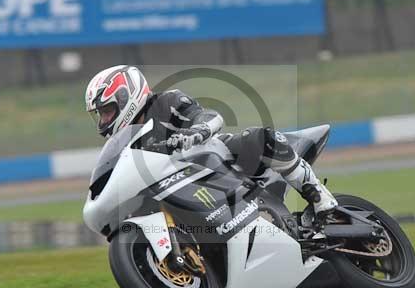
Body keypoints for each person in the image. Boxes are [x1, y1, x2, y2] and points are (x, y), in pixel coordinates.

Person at [84, 65, 338, 215]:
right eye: (101, 115)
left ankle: (319, 196)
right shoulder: (126, 141)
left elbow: (208, 115)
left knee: (259, 137)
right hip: (180, 189)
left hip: (218, 160)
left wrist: (196, 131)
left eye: (107, 111)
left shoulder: (166, 102)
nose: (104, 120)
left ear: (126, 96)